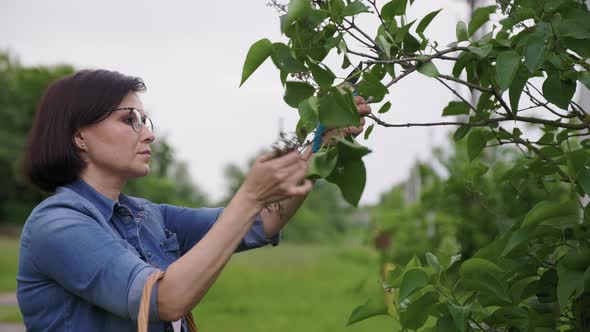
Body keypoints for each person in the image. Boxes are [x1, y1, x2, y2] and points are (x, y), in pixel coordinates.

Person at [16, 69, 370, 332]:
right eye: (130, 120)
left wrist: (322, 145)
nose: (150, 133)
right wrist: (248, 196)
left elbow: (265, 220)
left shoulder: (147, 216)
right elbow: (163, 300)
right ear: (79, 136)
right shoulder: (58, 225)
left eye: (146, 120)